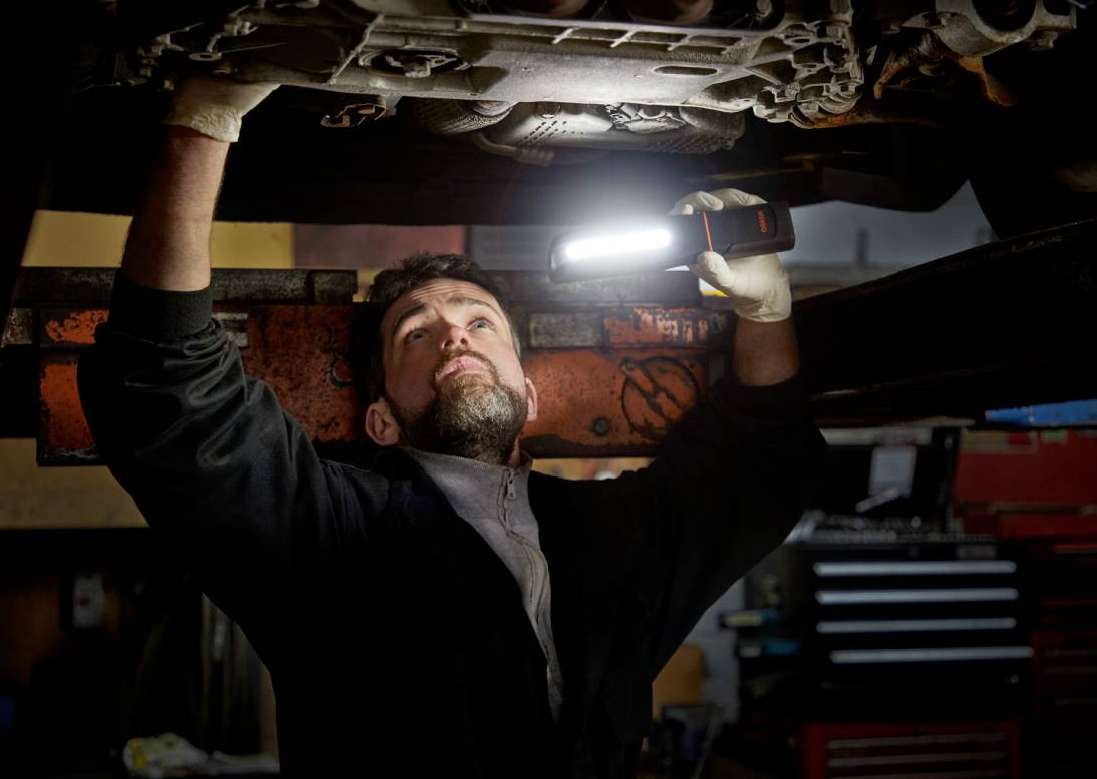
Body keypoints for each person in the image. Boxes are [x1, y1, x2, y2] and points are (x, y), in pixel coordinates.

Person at [78, 78, 827, 778]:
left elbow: (756, 470)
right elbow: (170, 391)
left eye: (480, 322)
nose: (454, 335)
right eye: (416, 331)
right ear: (380, 419)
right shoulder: (334, 536)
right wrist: (206, 118)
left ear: (528, 396)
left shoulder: (609, 538)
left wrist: (765, 309)